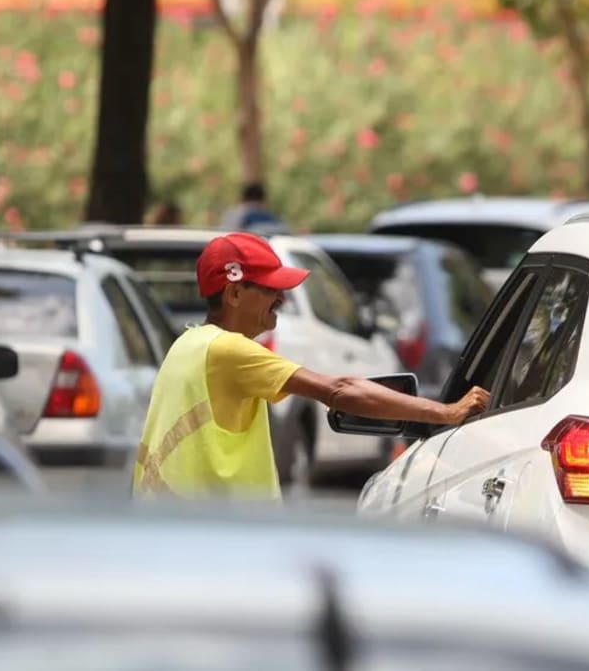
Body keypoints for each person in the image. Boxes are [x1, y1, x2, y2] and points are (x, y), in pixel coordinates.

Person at [131, 232, 490, 500]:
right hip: (215, 543)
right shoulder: (229, 350)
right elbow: (340, 391)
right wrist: (447, 412)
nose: (281, 299)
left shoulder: (187, 345)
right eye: (271, 288)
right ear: (234, 293)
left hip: (178, 532)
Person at [219, 182, 290, 234]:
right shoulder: (270, 216)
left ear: (243, 197)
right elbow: (285, 229)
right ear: (263, 199)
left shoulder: (232, 213)